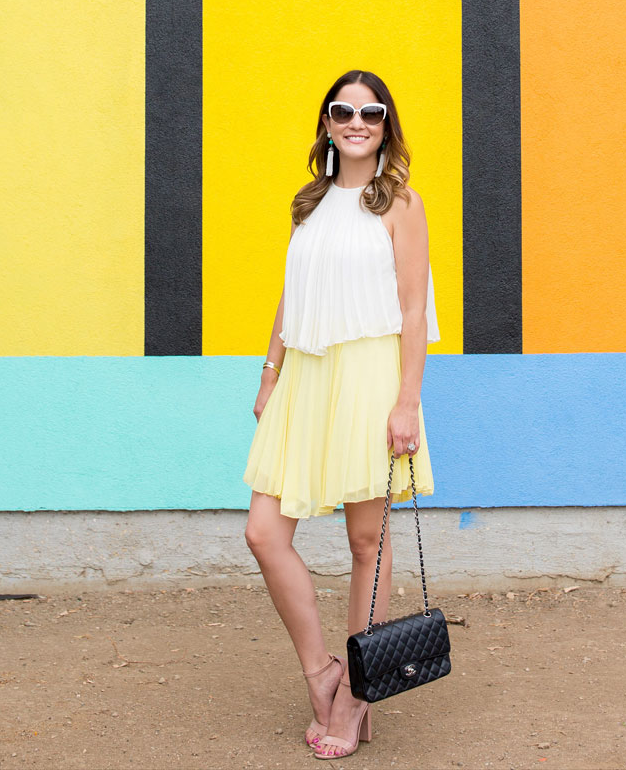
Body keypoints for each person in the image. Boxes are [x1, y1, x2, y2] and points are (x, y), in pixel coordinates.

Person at [243, 68, 440, 760]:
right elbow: (291, 295)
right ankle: (320, 670)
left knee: (367, 546)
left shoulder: (400, 204)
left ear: (387, 125)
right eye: (343, 111)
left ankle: (357, 697)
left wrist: (407, 399)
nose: (357, 122)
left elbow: (414, 309)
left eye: (371, 112)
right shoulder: (311, 202)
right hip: (306, 377)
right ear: (326, 124)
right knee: (264, 533)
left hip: (368, 378)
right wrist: (271, 374)